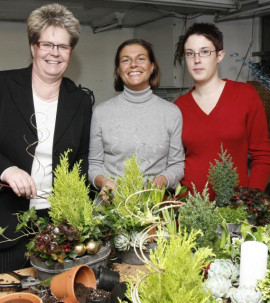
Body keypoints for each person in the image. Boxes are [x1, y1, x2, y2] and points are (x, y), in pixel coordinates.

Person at [0, 3, 92, 272]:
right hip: (7, 223)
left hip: (59, 225)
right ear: (33, 47)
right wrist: (6, 169)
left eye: (63, 46)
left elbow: (83, 157)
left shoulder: (80, 101)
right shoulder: (3, 87)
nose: (55, 53)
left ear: (70, 52)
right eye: (47, 44)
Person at [174, 22, 270, 200]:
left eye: (205, 52)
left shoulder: (245, 95)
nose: (197, 60)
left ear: (219, 55)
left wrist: (249, 200)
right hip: (190, 209)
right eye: (190, 53)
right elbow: (174, 163)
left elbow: (263, 156)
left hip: (234, 210)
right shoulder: (178, 107)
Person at [88, 39, 185, 199]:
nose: (133, 64)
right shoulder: (101, 112)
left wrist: (163, 180)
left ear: (152, 66)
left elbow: (177, 165)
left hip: (153, 208)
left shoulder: (171, 113)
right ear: (119, 70)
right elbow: (94, 165)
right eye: (126, 60)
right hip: (111, 208)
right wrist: (103, 181)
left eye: (141, 59)